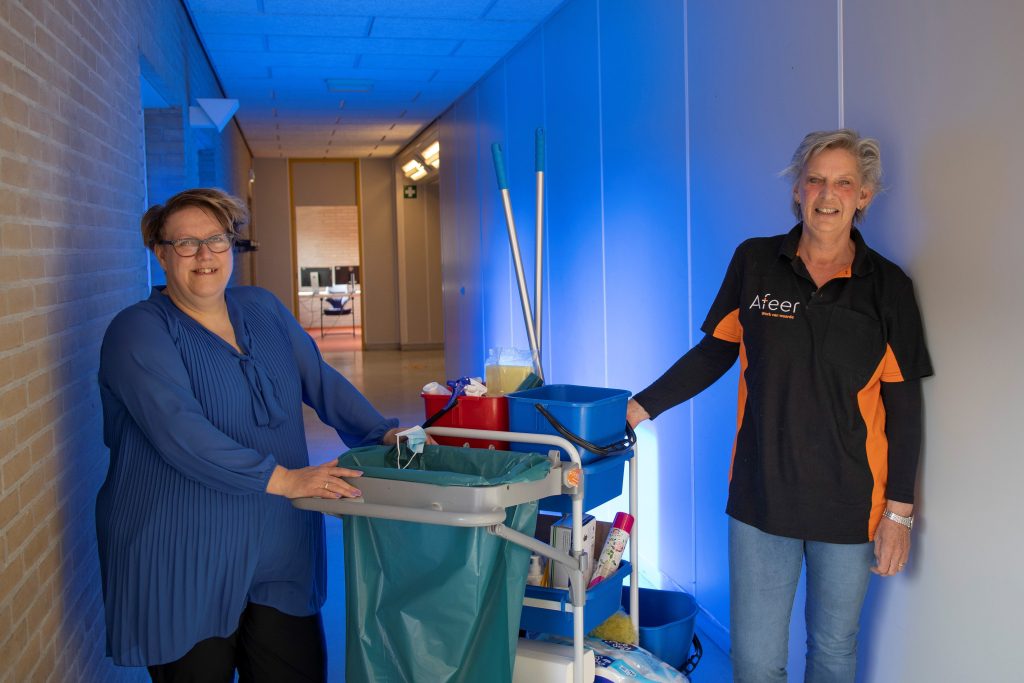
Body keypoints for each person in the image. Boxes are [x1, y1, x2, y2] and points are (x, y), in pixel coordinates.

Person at [627, 130, 932, 682]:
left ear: (864, 196)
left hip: (850, 504)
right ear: (797, 188)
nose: (827, 194)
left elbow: (905, 409)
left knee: (834, 652)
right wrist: (639, 408)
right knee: (756, 662)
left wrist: (899, 515)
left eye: (844, 182)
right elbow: (713, 353)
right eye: (815, 179)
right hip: (761, 498)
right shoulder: (756, 262)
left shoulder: (888, 288)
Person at [96, 188, 409, 682]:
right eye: (186, 243)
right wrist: (286, 480)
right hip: (182, 550)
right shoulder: (137, 331)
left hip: (278, 542)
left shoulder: (261, 308)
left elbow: (320, 380)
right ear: (159, 252)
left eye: (217, 240)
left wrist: (382, 434)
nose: (205, 255)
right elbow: (179, 432)